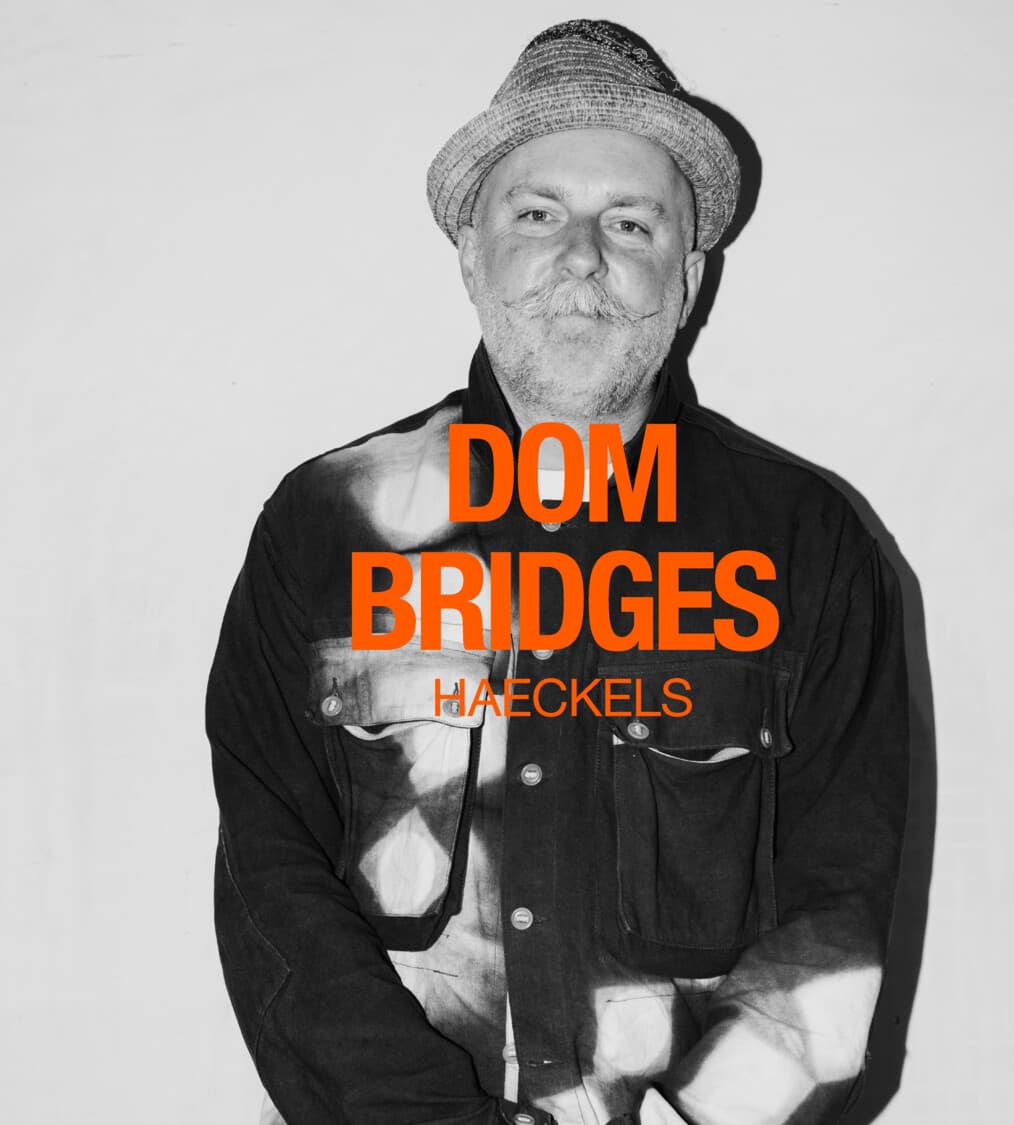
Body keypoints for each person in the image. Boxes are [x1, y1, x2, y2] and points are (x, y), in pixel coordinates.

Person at [207, 19, 910, 1125]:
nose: (582, 257)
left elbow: (837, 916)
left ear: (689, 273)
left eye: (630, 222)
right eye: (537, 214)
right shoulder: (323, 526)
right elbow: (270, 882)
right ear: (470, 253)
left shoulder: (805, 545)